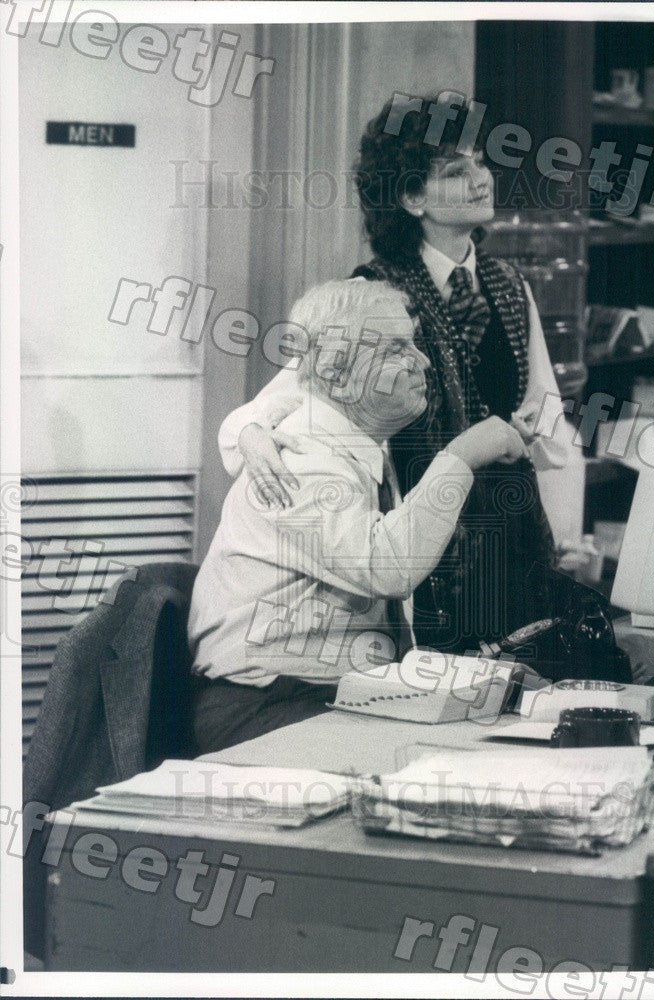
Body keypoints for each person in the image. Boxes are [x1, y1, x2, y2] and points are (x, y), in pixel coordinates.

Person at [219, 96, 569, 654]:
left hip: (513, 537)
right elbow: (284, 396)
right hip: (426, 541)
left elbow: (548, 407)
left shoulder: (509, 284)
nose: (481, 179)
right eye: (456, 171)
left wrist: (535, 428)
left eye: (481, 162)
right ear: (411, 198)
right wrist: (252, 434)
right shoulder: (373, 293)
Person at [188, 278, 527, 753]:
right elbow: (387, 568)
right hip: (265, 709)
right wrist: (461, 456)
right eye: (397, 349)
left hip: (321, 693)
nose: (423, 362)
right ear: (338, 375)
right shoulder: (300, 457)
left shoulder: (348, 442)